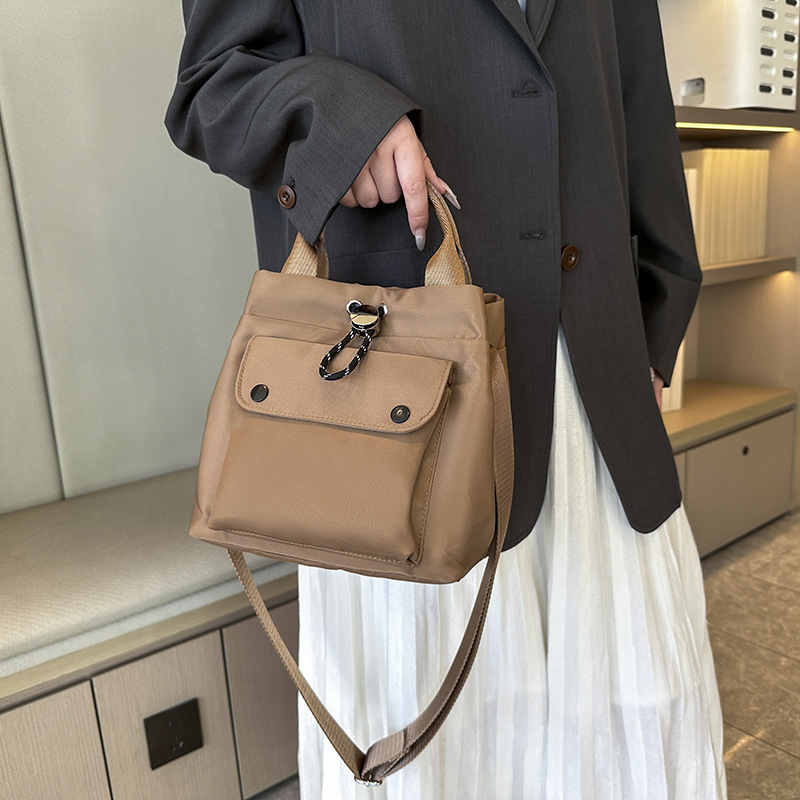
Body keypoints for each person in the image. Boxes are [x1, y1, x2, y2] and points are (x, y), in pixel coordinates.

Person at [166, 0, 728, 797]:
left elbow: (636, 85)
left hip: (592, 378)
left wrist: (659, 302)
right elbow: (214, 86)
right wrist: (342, 120)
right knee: (443, 751)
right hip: (399, 400)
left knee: (623, 705)